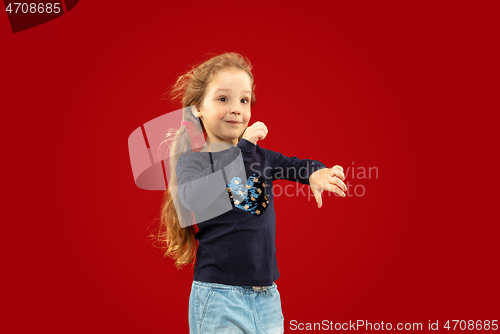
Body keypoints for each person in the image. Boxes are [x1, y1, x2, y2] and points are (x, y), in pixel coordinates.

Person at [157, 52, 347, 334]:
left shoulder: (260, 156)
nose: (236, 109)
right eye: (223, 99)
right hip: (219, 296)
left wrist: (315, 172)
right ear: (197, 108)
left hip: (266, 297)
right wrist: (243, 148)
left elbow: (292, 165)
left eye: (244, 100)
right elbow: (193, 199)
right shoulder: (194, 161)